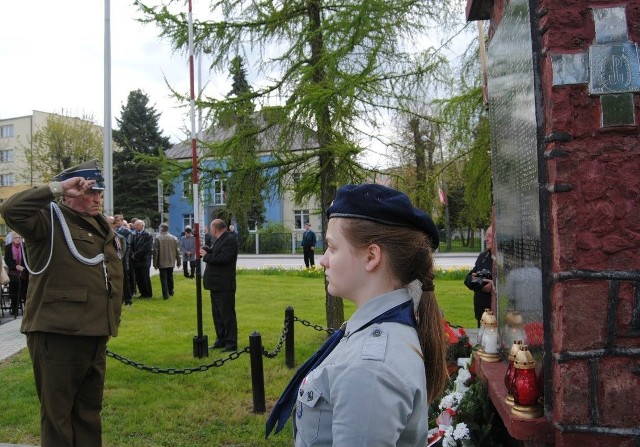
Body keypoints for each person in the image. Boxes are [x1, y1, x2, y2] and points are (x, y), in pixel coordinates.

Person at [266, 184, 449, 446]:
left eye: (332, 247)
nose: (323, 260)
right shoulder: (376, 328)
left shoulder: (369, 368)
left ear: (371, 256)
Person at [0, 159, 123, 447]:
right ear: (71, 193)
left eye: (100, 193)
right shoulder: (47, 220)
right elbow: (10, 209)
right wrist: (56, 188)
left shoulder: (98, 226)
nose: (97, 198)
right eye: (90, 192)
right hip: (58, 335)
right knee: (58, 417)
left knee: (89, 414)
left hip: (94, 333)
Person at [200, 219, 238, 352]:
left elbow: (223, 259)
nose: (210, 232)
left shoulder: (230, 240)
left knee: (227, 315)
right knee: (217, 315)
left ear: (215, 229)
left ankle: (231, 343)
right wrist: (208, 250)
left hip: (224, 284)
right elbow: (216, 253)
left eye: (211, 229)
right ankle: (221, 339)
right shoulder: (220, 239)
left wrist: (206, 256)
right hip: (215, 284)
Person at [464, 226, 494, 327]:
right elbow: (468, 279)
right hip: (481, 314)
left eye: (489, 236)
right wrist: (474, 281)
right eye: (486, 235)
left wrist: (492, 287)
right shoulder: (483, 257)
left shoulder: (503, 260)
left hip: (495, 315)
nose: (485, 239)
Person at [108, 215, 133, 305]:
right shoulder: (109, 233)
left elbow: (125, 249)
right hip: (112, 262)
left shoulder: (123, 234)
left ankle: (128, 299)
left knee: (125, 281)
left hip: (122, 261)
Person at [153, 223, 181, 300]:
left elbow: (156, 252)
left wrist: (155, 264)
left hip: (162, 262)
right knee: (170, 276)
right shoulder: (174, 238)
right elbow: (177, 251)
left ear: (161, 229)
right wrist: (179, 261)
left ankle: (165, 295)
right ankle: (171, 291)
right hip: (171, 261)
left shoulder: (158, 238)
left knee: (163, 278)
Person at [4, 231, 29, 316]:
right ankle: (14, 309)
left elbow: (28, 259)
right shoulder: (8, 247)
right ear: (12, 239)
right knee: (14, 290)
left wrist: (23, 268)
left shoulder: (25, 247)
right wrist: (15, 266)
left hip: (24, 271)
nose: (18, 239)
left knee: (25, 290)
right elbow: (7, 259)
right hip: (13, 272)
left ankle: (27, 309)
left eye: (19, 238)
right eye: (16, 238)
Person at [131, 219, 153, 298]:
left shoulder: (148, 235)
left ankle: (148, 293)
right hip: (136, 260)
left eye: (137, 225)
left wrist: (136, 255)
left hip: (144, 260)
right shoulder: (134, 235)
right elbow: (132, 246)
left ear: (142, 226)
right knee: (138, 277)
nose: (135, 226)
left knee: (145, 277)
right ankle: (142, 293)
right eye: (135, 225)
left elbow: (146, 248)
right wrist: (133, 254)